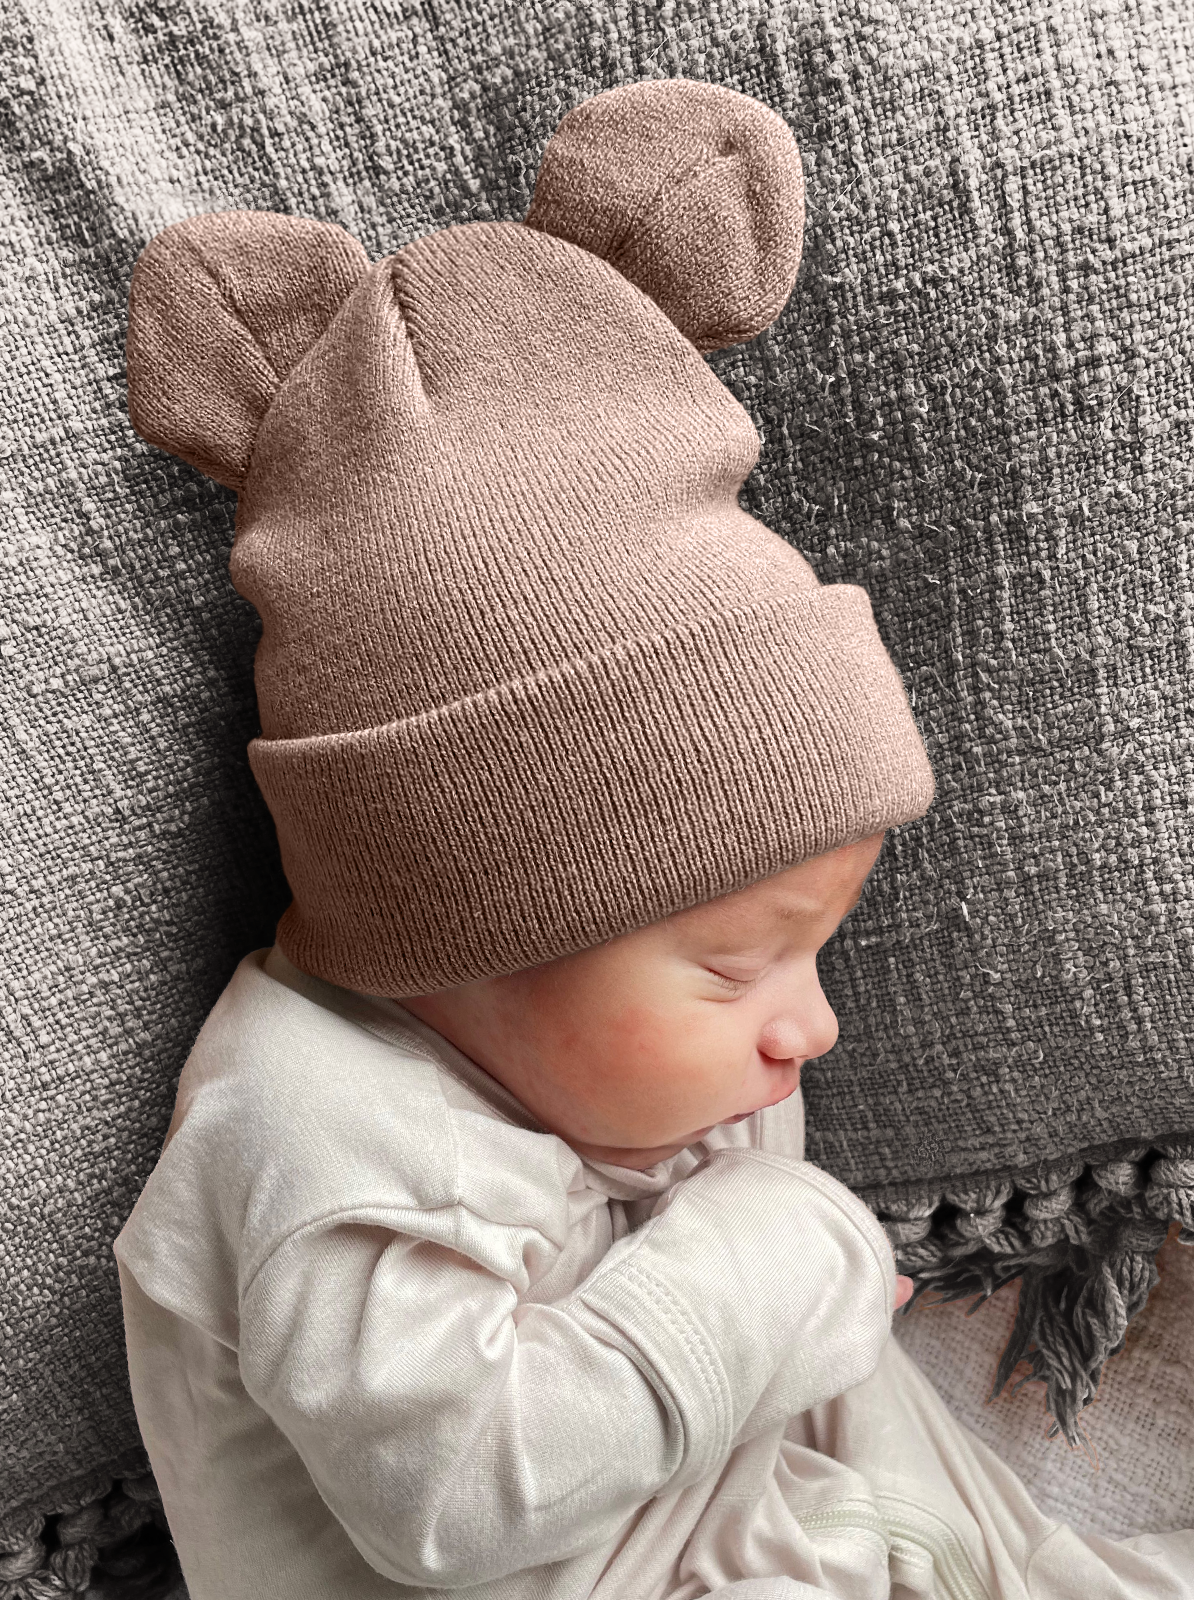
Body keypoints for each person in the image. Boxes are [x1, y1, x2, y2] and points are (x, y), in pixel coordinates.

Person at [113, 76, 1194, 1599]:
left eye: (813, 948)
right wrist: (756, 1269)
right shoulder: (313, 1149)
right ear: (473, 919)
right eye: (738, 964)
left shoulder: (571, 1058)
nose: (808, 1025)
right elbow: (452, 1504)